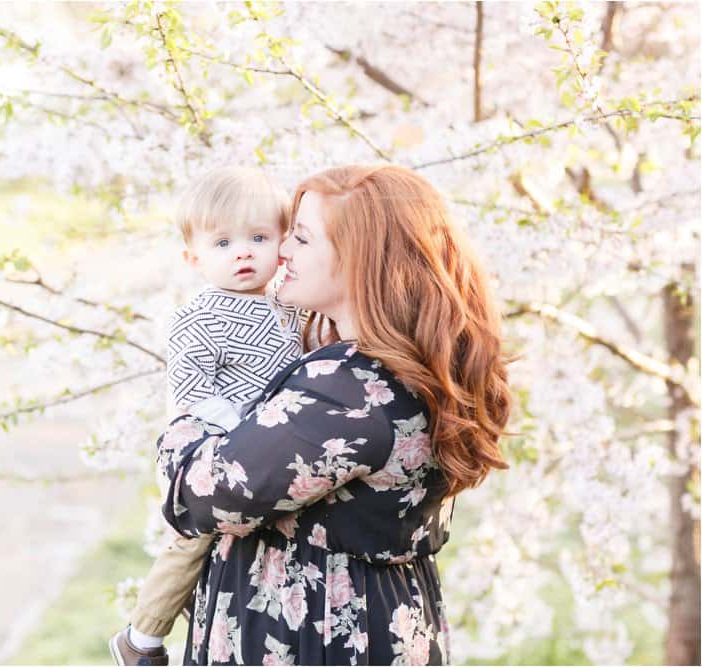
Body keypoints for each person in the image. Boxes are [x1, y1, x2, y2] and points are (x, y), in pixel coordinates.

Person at [156, 164, 512, 665]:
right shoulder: (406, 362)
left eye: (299, 238)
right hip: (380, 617)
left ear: (357, 259)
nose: (280, 251)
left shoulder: (346, 391)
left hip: (312, 634)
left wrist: (185, 417)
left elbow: (200, 494)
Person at [110, 167, 305, 666]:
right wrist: (240, 435)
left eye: (258, 237)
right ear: (193, 258)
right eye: (223, 243)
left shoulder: (290, 305)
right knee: (192, 543)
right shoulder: (199, 317)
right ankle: (142, 636)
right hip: (212, 443)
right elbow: (194, 392)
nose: (243, 251)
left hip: (267, 452)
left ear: (283, 243)